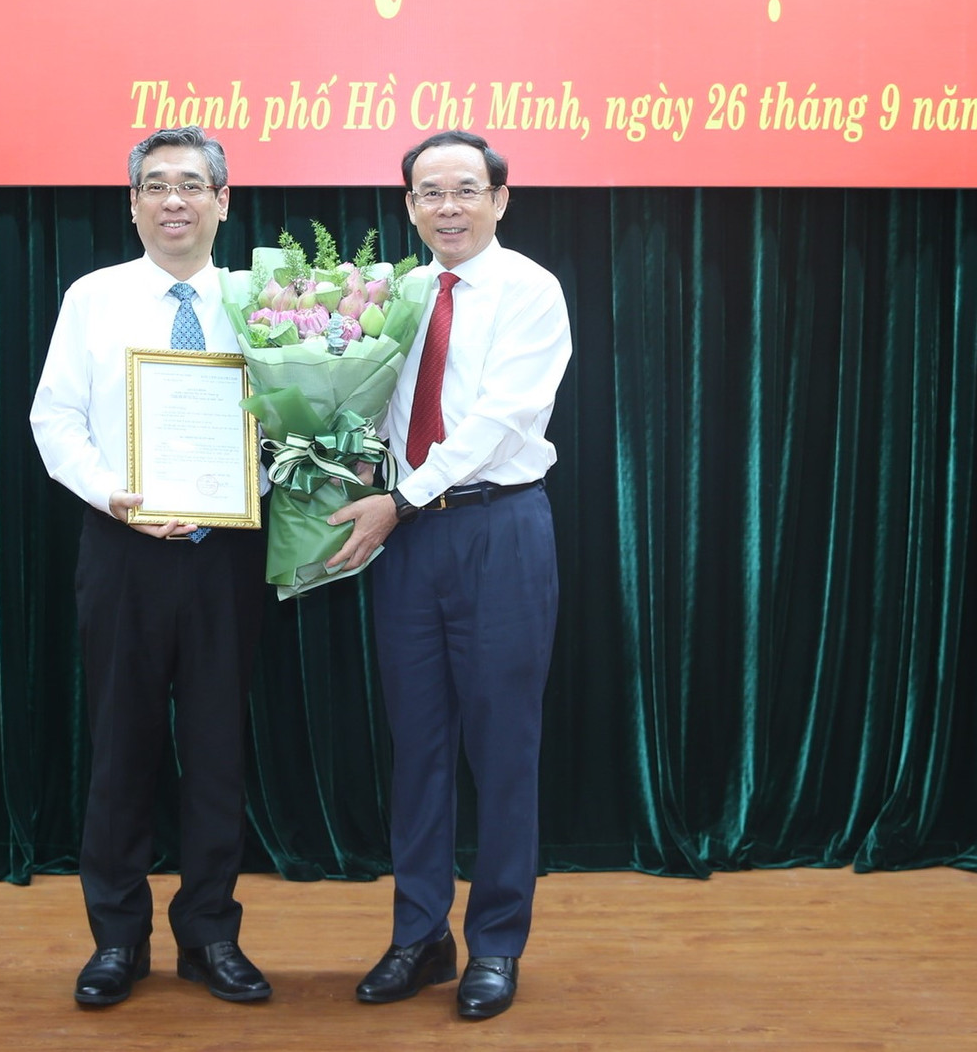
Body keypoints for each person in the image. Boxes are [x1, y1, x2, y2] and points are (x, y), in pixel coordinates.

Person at [326, 129, 572, 1020]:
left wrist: (401, 495)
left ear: (500, 200)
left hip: (497, 529)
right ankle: (420, 935)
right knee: (418, 745)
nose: (449, 207)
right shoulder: (397, 293)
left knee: (502, 749)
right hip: (410, 543)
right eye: (430, 192)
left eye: (466, 189)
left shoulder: (530, 290)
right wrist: (349, 462)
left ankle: (496, 943)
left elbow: (501, 420)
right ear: (408, 206)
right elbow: (376, 406)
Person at [30, 126, 272, 1008]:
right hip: (123, 549)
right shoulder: (93, 297)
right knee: (120, 748)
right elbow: (55, 418)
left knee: (217, 751)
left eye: (193, 184)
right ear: (132, 203)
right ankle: (116, 940)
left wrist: (261, 474)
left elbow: (293, 421)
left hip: (226, 555)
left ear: (223, 201)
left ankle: (210, 934)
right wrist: (114, 496)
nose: (176, 200)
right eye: (157, 185)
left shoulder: (262, 303)